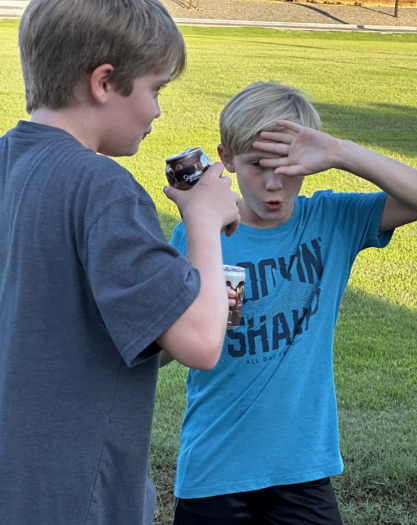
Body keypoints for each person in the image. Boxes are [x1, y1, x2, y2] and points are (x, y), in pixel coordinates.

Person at [162, 82, 417, 524]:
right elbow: (168, 347)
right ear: (226, 159)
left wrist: (341, 151)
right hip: (215, 470)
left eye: (289, 166)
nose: (275, 182)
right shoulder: (203, 231)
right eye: (258, 166)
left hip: (301, 469)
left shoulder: (331, 220)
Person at [0, 1, 241, 524]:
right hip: (77, 497)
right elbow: (202, 343)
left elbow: (66, 333)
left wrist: (176, 304)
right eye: (155, 89)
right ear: (104, 82)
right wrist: (203, 218)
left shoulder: (7, 162)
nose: (157, 110)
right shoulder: (101, 185)